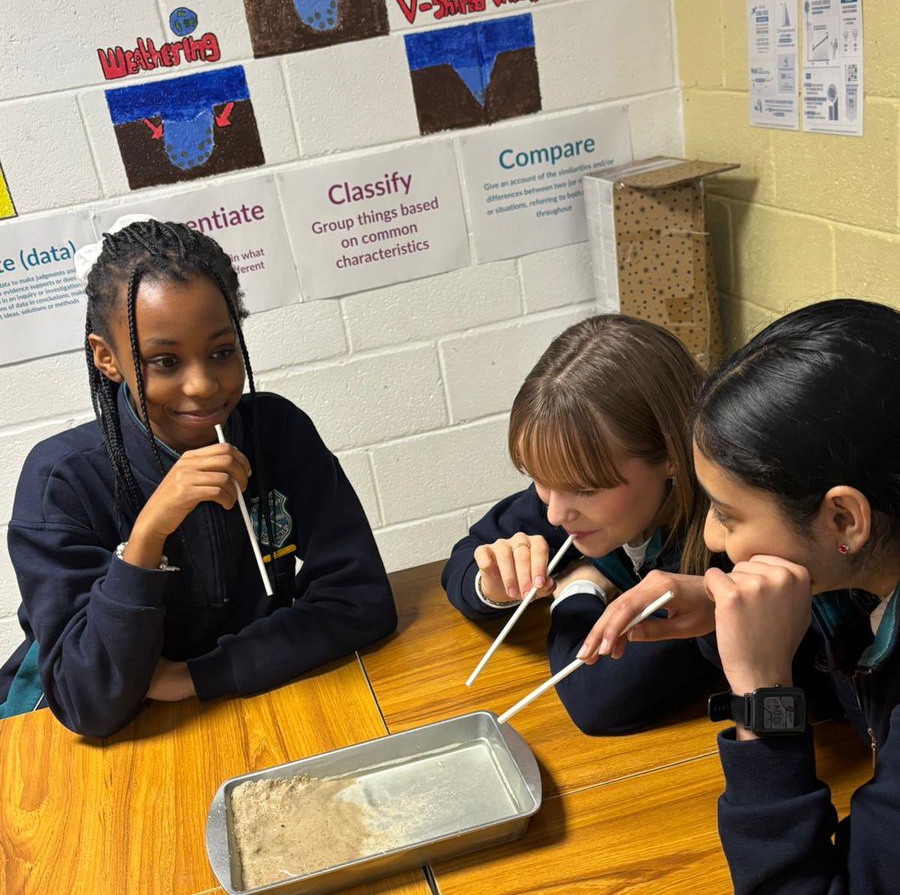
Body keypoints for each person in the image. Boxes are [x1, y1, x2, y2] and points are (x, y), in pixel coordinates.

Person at [579, 299, 900, 895]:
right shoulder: (864, 587)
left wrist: (761, 695)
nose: (716, 543)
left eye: (728, 513)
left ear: (844, 518)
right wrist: (719, 608)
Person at [0, 217, 396, 736]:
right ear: (106, 357)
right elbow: (87, 702)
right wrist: (147, 537)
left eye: (222, 352)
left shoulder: (277, 431)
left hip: (225, 700)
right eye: (164, 361)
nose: (203, 385)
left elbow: (361, 601)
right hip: (78, 738)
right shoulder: (61, 481)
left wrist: (198, 676)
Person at [442, 314, 717, 734]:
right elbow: (466, 558)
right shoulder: (574, 496)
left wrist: (578, 588)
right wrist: (494, 585)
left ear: (672, 456)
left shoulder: (719, 548)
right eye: (539, 478)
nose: (554, 513)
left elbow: (598, 699)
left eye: (584, 489)